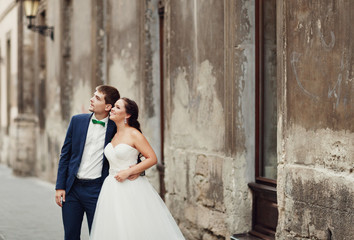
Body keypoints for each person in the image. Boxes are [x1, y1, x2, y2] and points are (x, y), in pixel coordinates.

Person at [90, 97, 185, 240]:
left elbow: (152, 158)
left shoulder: (134, 133)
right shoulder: (113, 134)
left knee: (134, 227)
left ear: (127, 115)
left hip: (131, 187)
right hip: (111, 187)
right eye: (113, 106)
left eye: (117, 107)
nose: (113, 109)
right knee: (114, 228)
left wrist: (130, 171)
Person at [55, 86, 140, 240]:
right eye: (93, 96)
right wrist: (60, 186)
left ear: (108, 107)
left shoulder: (117, 127)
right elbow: (65, 155)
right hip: (72, 189)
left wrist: (137, 170)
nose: (91, 99)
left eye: (97, 98)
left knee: (98, 235)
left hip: (97, 191)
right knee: (70, 236)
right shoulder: (77, 121)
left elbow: (134, 151)